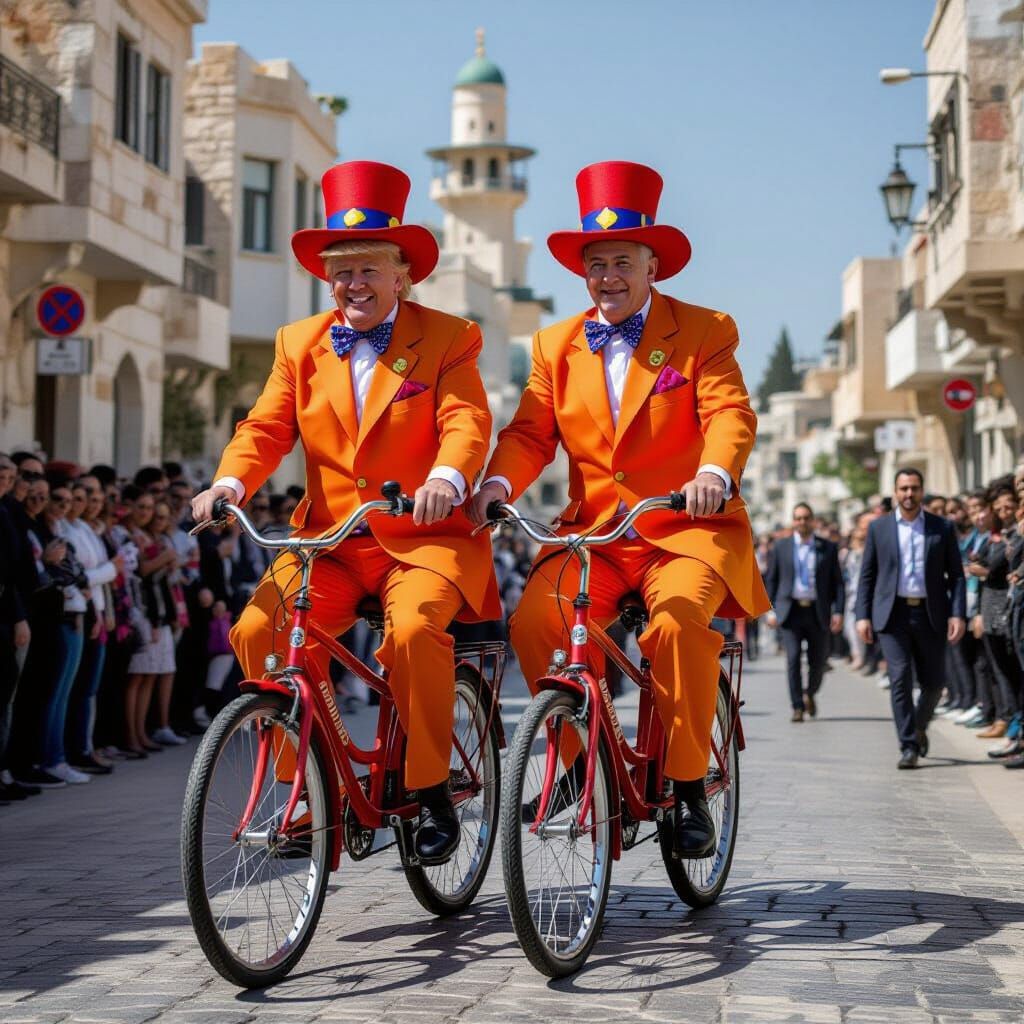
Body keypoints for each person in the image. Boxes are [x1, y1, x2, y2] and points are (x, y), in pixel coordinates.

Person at [191, 160, 500, 866]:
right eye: (340, 271)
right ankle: (309, 787)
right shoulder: (298, 343)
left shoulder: (451, 336)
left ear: (402, 276)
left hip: (424, 539)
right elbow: (265, 428)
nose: (352, 284)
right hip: (330, 541)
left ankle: (430, 792)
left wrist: (449, 478)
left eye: (368, 268)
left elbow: (466, 421)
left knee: (418, 633)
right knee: (258, 628)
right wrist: (229, 486)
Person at [470, 160, 770, 858]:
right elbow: (529, 434)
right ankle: (581, 761)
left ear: (652, 264)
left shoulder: (703, 330)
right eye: (595, 263)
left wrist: (714, 471)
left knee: (676, 628)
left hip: (685, 530)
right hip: (596, 536)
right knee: (535, 621)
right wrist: (497, 487)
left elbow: (730, 412)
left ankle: (689, 785)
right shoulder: (553, 344)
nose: (607, 275)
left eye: (622, 261)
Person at [855, 468, 966, 769]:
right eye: (903, 488)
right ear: (895, 491)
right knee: (900, 677)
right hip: (892, 614)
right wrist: (862, 615)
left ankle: (918, 725)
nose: (908, 494)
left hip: (931, 614)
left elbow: (956, 576)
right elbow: (868, 575)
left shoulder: (941, 527)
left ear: (921, 491)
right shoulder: (879, 528)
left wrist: (958, 612)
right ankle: (908, 745)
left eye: (914, 488)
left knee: (934, 683)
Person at [765, 503, 844, 722]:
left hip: (818, 612)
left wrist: (838, 611)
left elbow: (837, 583)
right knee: (792, 659)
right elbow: (771, 581)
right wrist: (769, 611)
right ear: (793, 521)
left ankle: (810, 693)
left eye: (806, 518)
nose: (802, 522)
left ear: (813, 520)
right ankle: (797, 706)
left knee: (818, 661)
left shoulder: (827, 547)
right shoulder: (781, 547)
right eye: (798, 518)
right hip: (790, 611)